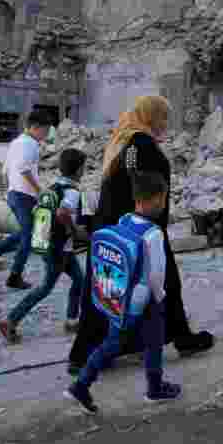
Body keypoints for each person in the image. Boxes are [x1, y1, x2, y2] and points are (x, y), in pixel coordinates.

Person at [67, 95, 214, 376]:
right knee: (161, 283)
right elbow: (139, 181)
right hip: (137, 228)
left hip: (114, 228)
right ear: (151, 116)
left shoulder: (126, 141)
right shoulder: (140, 143)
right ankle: (180, 338)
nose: (165, 123)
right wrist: (149, 220)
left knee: (107, 286)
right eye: (163, 117)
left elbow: (128, 178)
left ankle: (84, 352)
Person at [64, 171, 182, 413]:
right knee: (155, 341)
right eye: (161, 200)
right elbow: (156, 275)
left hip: (119, 297)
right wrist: (159, 299)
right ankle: (155, 388)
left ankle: (81, 385)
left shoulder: (125, 219)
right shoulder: (154, 234)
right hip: (145, 300)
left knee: (112, 343)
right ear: (154, 200)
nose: (162, 205)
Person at [0, 148, 90, 343]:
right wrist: (74, 231)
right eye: (83, 167)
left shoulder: (55, 186)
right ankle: (10, 320)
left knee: (79, 279)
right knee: (46, 287)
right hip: (59, 249)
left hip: (50, 244)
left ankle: (72, 320)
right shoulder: (71, 192)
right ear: (79, 169)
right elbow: (63, 214)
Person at [0, 111, 52, 290]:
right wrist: (40, 191)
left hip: (16, 194)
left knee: (27, 233)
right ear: (36, 128)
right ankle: (14, 275)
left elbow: (5, 172)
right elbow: (23, 169)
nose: (46, 135)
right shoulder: (30, 144)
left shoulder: (16, 143)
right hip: (23, 196)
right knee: (28, 236)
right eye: (45, 131)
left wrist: (8, 191)